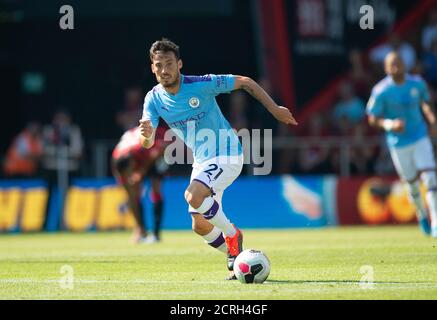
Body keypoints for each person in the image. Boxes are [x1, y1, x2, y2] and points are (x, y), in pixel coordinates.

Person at [139, 38, 297, 280]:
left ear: (180, 64)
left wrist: (274, 108)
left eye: (169, 63)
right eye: (158, 65)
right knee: (199, 225)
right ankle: (238, 257)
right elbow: (147, 142)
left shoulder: (200, 84)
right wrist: (147, 138)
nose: (164, 70)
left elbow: (244, 82)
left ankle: (233, 234)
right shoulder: (153, 99)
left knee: (192, 195)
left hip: (228, 153)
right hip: (203, 162)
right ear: (152, 68)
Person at [366, 51, 437, 237]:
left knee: (430, 177)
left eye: (399, 63)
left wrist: (432, 120)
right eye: (392, 64)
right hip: (398, 143)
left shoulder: (417, 83)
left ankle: (436, 221)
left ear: (405, 65)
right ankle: (422, 214)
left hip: (420, 136)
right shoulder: (381, 91)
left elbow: (426, 103)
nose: (396, 67)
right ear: (386, 68)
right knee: (412, 185)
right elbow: (372, 118)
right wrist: (389, 124)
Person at [112, 126, 168, 244]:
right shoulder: (117, 159)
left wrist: (141, 172)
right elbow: (130, 193)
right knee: (133, 194)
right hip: (136, 156)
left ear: (132, 162)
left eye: (130, 171)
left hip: (157, 154)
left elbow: (160, 149)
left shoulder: (141, 147)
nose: (129, 175)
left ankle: (156, 234)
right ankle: (141, 230)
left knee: (156, 189)